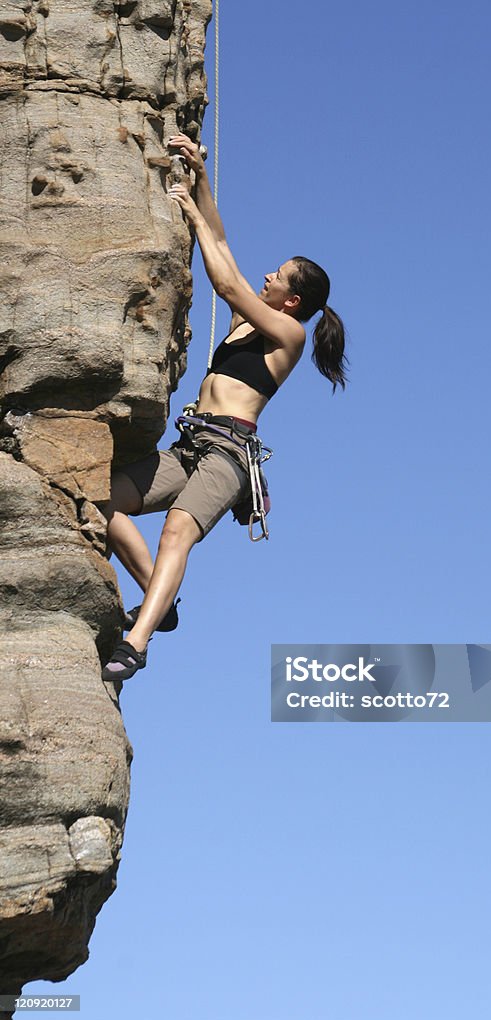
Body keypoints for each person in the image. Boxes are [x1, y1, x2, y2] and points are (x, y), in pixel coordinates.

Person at [100, 133, 347, 683]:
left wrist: (186, 205)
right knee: (105, 499)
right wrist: (201, 176)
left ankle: (136, 642)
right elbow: (222, 239)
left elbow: (226, 281)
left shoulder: (286, 334)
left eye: (277, 276)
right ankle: (161, 606)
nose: (266, 275)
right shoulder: (251, 320)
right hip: (190, 444)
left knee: (176, 531)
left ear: (292, 301)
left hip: (227, 456)